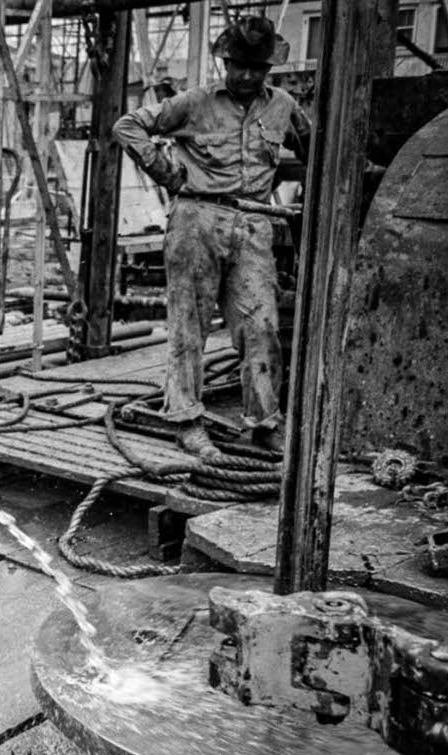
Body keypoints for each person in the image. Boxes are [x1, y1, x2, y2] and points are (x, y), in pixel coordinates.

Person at [112, 16, 310, 457]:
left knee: (261, 326)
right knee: (189, 326)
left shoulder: (283, 107)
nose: (245, 75)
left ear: (267, 69)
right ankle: (186, 422)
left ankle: (263, 423)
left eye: (255, 68)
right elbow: (128, 126)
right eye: (238, 65)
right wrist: (166, 173)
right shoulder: (194, 102)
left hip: (254, 223)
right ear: (226, 62)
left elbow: (315, 149)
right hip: (197, 220)